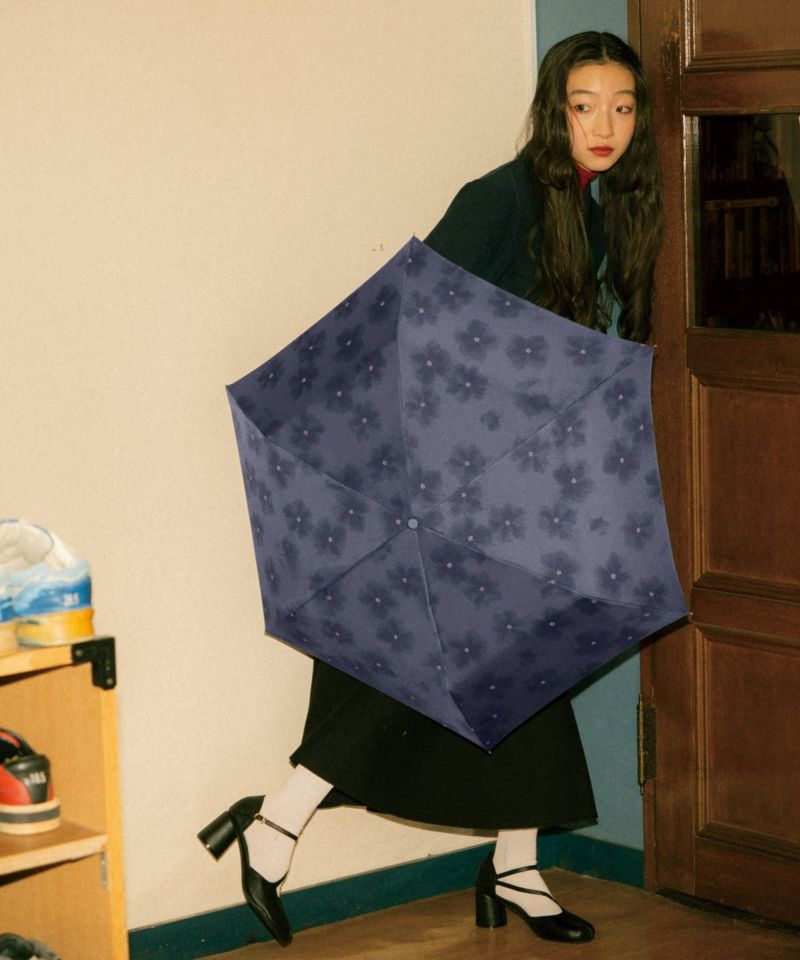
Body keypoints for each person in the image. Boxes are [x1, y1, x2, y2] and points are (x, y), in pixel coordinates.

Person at [200, 30, 662, 948]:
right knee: (423, 649)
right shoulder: (500, 198)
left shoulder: (602, 210)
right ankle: (279, 820)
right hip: (454, 468)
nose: (604, 125)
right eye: (584, 106)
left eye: (621, 107)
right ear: (554, 112)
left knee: (533, 649)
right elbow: (412, 319)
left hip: (527, 470)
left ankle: (511, 862)